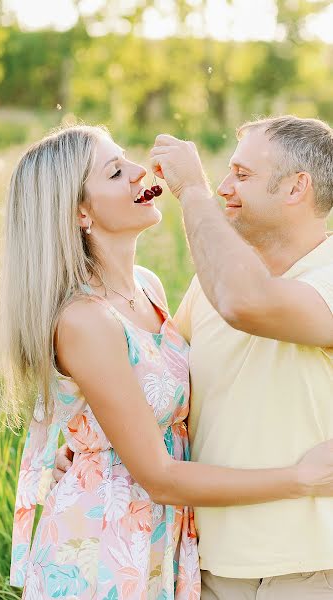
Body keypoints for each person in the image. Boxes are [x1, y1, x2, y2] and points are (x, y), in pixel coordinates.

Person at [0, 124, 333, 600]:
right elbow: (158, 466)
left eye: (127, 160)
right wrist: (300, 479)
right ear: (80, 212)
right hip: (110, 543)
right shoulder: (89, 318)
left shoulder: (151, 288)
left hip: (174, 541)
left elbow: (172, 381)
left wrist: (90, 436)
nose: (140, 172)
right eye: (115, 171)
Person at [149, 115, 333, 599]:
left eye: (242, 175)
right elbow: (163, 386)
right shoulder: (216, 280)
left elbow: (245, 304)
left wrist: (192, 190)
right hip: (208, 562)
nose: (224, 188)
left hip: (311, 568)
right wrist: (90, 447)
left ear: (296, 188)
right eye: (224, 175)